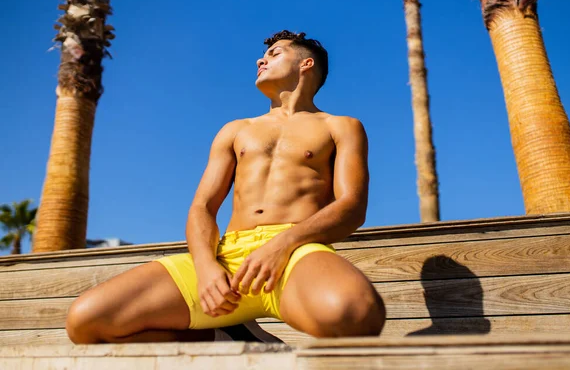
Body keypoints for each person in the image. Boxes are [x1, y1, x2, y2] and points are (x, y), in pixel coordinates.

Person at [66, 30, 386, 344]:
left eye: (275, 54)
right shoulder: (236, 130)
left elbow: (352, 206)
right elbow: (202, 207)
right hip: (227, 258)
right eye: (263, 56)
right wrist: (206, 267)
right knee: (86, 322)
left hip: (296, 251)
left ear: (307, 64)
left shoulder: (341, 126)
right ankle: (225, 337)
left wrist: (283, 244)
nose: (262, 60)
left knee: (356, 313)